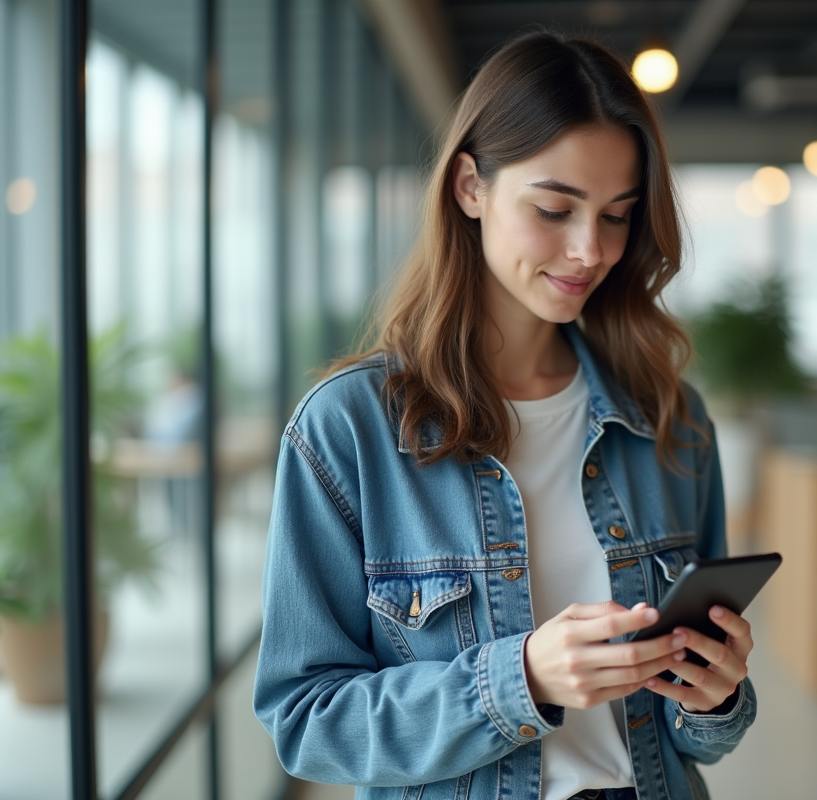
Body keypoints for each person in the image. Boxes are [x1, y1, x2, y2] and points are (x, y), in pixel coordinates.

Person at [252, 31, 757, 800]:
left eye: (617, 216)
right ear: (469, 187)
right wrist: (518, 679)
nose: (590, 250)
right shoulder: (347, 429)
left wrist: (716, 695)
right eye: (555, 208)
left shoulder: (668, 418)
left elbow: (703, 736)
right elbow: (306, 720)